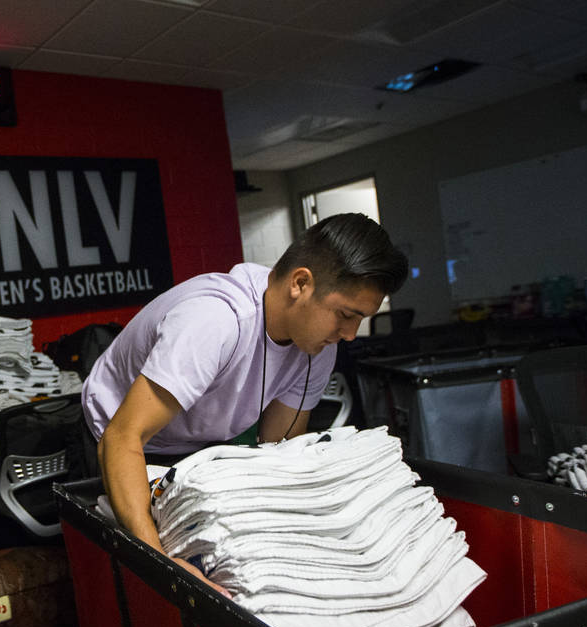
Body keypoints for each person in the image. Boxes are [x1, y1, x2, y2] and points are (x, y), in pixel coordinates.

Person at [80, 213, 408, 594]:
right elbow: (122, 438)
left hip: (197, 448)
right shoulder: (215, 321)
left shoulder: (318, 346)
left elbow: (276, 452)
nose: (350, 334)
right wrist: (162, 566)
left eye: (361, 319)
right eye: (345, 315)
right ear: (300, 283)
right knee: (149, 580)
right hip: (118, 439)